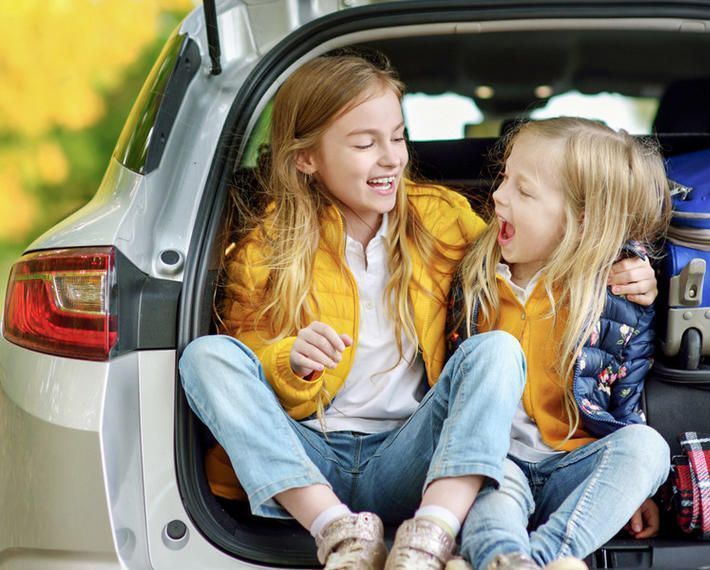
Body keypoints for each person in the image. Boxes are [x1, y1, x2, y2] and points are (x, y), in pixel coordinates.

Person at [179, 54, 659, 570]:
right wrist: (288, 360)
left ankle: (431, 534)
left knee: (496, 350)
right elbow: (247, 358)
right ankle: (338, 534)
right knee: (204, 358)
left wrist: (626, 263)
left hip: (412, 455)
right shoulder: (266, 248)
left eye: (399, 137)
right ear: (306, 158)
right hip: (307, 458)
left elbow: (540, 245)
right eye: (365, 144)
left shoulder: (443, 221)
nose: (391, 158)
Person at [448, 117, 673, 570]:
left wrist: (632, 490)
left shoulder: (617, 292)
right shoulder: (475, 275)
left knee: (648, 448)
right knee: (485, 489)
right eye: (504, 178)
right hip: (498, 458)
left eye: (523, 191)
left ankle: (539, 558)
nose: (498, 195)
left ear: (581, 219)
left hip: (574, 462)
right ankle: (507, 559)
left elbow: (626, 396)